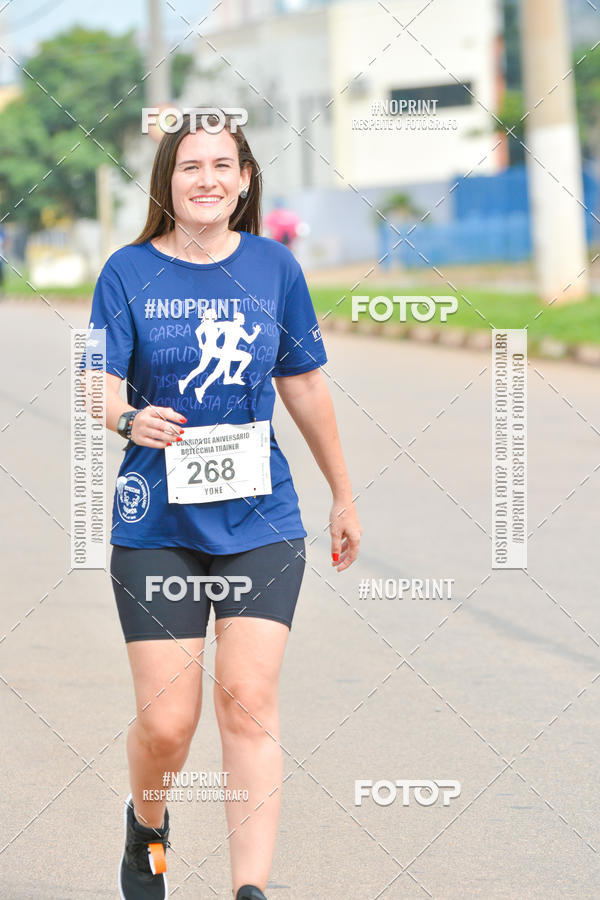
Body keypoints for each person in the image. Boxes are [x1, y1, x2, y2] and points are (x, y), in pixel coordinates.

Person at [85, 111, 361, 900]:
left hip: (260, 520)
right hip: (156, 524)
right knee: (169, 724)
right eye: (189, 167)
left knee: (248, 703)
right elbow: (97, 381)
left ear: (244, 180)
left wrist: (342, 494)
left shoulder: (274, 268)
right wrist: (126, 417)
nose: (206, 179)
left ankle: (250, 889)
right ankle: (149, 828)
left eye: (222, 166)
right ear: (166, 184)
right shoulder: (127, 271)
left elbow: (303, 384)